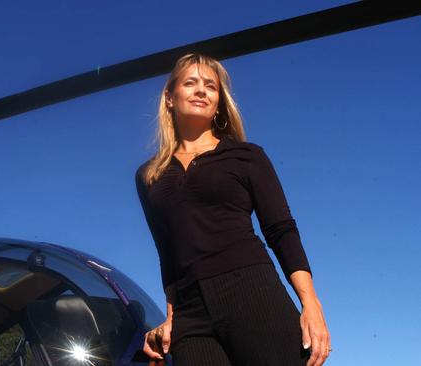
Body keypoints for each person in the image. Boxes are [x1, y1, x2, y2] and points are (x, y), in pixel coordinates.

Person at [135, 53, 330, 366]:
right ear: (170, 98)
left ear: (218, 102)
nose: (202, 91)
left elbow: (281, 230)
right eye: (191, 83)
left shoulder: (247, 157)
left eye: (210, 87)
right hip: (191, 314)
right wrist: (172, 317)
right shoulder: (149, 176)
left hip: (253, 293)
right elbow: (167, 253)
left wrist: (311, 304)